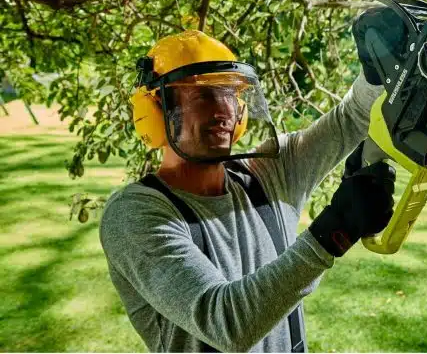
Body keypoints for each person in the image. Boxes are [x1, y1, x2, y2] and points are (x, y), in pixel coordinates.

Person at [99, 30, 395, 352]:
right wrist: (334, 231)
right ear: (156, 110)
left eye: (230, 94)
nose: (224, 110)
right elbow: (226, 324)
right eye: (204, 95)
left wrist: (379, 69)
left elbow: (352, 116)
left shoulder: (268, 174)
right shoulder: (134, 215)